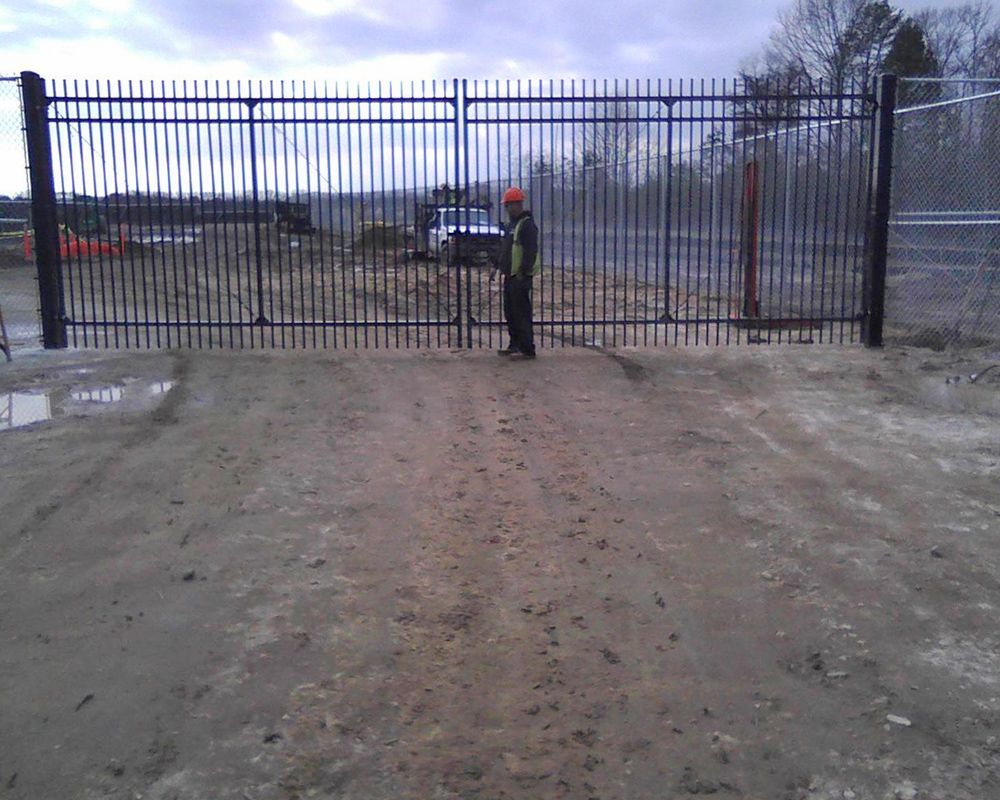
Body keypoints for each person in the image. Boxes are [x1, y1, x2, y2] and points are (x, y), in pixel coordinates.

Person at [494, 187, 539, 358]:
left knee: (521, 313)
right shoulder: (512, 225)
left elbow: (531, 251)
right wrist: (499, 264)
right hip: (510, 275)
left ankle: (527, 347)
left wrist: (523, 271)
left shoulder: (526, 225)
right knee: (511, 313)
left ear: (517, 205)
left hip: (520, 276)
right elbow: (507, 248)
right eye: (506, 206)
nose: (507, 209)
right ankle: (515, 344)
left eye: (508, 205)